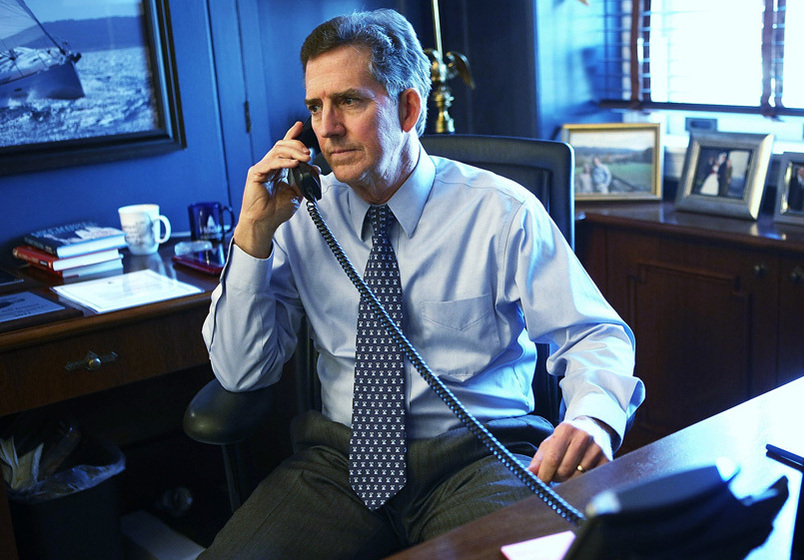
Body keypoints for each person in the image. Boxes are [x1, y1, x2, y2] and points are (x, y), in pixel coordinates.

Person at [199, 9, 643, 560]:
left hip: (476, 457)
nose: (326, 128)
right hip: (338, 463)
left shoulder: (501, 212)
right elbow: (241, 373)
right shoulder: (297, 215)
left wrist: (594, 417)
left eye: (350, 102)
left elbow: (594, 334)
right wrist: (251, 237)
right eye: (315, 106)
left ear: (408, 108)